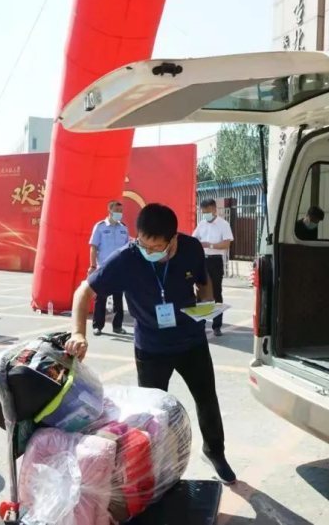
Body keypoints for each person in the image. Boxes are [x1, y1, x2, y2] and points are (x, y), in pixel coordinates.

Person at [65, 204, 236, 485]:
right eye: (143, 244)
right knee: (153, 413)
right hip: (151, 348)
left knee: (206, 399)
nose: (148, 251)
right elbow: (83, 292)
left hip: (191, 341)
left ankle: (215, 452)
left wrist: (206, 303)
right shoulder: (127, 258)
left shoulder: (191, 248)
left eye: (156, 247)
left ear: (173, 239)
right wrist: (78, 333)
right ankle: (155, 466)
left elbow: (203, 281)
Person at [193, 199, 234, 337]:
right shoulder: (201, 224)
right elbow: (194, 239)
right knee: (201, 292)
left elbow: (226, 244)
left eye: (207, 211)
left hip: (215, 261)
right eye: (203, 212)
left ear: (214, 210)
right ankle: (201, 323)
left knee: (216, 292)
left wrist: (209, 245)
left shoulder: (224, 225)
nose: (205, 214)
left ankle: (217, 326)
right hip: (202, 260)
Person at [89, 200, 130, 336]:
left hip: (120, 268)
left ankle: (117, 326)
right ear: (110, 211)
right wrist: (92, 266)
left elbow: (127, 249)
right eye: (117, 211)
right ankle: (97, 326)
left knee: (118, 299)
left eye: (121, 211)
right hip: (104, 268)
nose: (119, 213)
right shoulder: (100, 227)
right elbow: (93, 247)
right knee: (101, 298)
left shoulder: (123, 228)